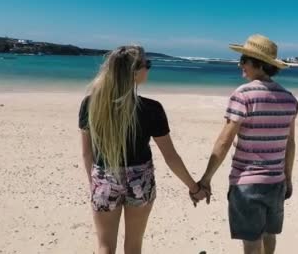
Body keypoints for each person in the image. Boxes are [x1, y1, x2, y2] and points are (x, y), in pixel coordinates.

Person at [78, 45, 208, 254]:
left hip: (103, 179)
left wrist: (95, 184)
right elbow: (171, 157)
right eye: (147, 65)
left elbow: (87, 154)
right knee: (133, 246)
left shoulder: (91, 105)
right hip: (140, 181)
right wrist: (194, 188)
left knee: (104, 247)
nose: (148, 69)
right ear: (134, 72)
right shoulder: (151, 109)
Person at [198, 34, 298, 254]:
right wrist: (288, 178)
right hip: (276, 182)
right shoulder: (289, 99)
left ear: (258, 63)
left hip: (247, 183)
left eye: (244, 59)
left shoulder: (243, 95)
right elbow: (290, 143)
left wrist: (206, 179)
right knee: (269, 235)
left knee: (252, 244)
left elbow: (224, 140)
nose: (240, 64)